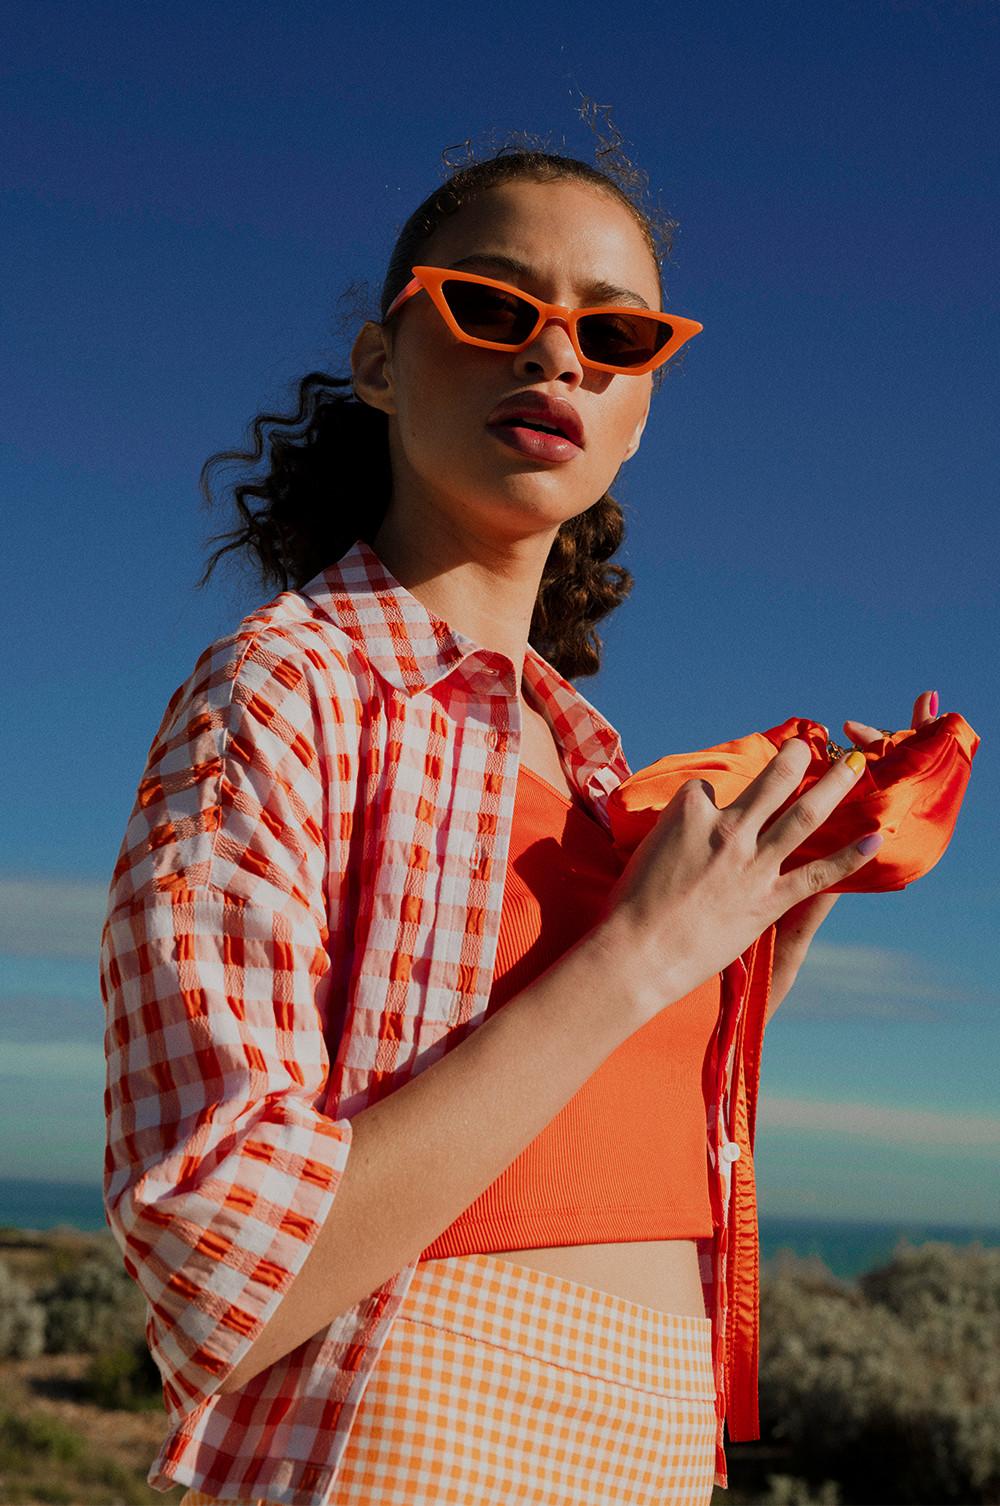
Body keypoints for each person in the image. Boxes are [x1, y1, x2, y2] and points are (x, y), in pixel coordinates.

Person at [100, 143, 935, 1506]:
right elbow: (219, 1263)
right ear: (379, 359)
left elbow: (600, 1133)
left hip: (656, 1446)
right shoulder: (287, 688)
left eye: (613, 332)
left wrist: (762, 929)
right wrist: (643, 956)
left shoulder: (592, 760)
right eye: (494, 306)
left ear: (642, 409)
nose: (557, 357)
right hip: (415, 1435)